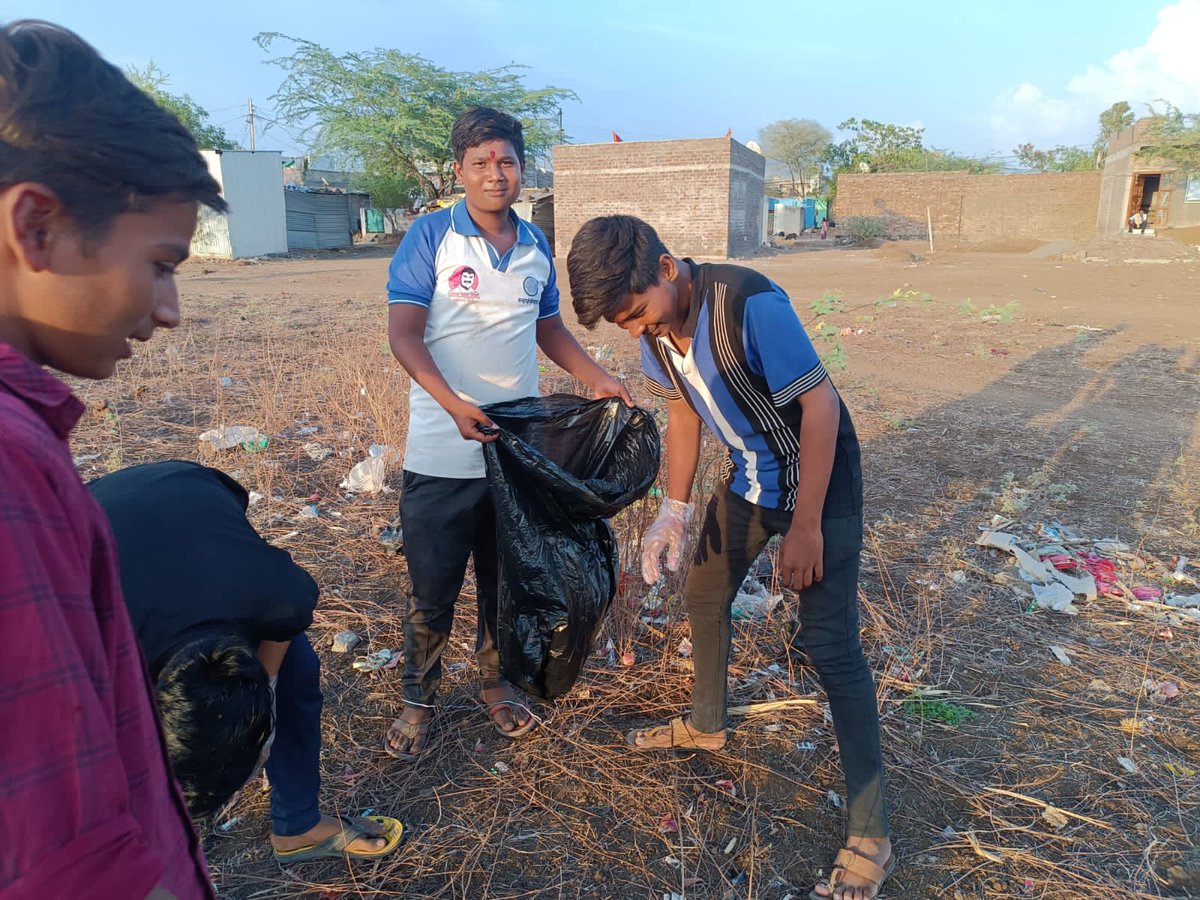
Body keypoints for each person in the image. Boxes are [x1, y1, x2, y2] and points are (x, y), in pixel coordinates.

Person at [566, 215, 894, 900]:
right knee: (704, 594)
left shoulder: (749, 302)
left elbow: (823, 406)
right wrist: (675, 511)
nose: (638, 333)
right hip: (748, 484)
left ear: (665, 268)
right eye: (623, 326)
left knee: (831, 647)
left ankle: (871, 831)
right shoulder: (653, 335)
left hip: (822, 489)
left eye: (637, 315)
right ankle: (707, 725)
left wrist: (807, 527)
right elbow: (685, 416)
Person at [0, 20, 223, 899]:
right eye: (162, 264)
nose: (168, 309)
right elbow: (62, 862)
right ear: (37, 226)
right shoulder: (10, 469)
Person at [383, 107, 631, 760]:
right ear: (460, 171)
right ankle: (419, 697)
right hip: (442, 452)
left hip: (516, 455)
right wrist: (454, 404)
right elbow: (404, 335)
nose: (496, 174)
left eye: (507, 161)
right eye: (482, 163)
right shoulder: (431, 238)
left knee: (504, 582)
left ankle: (496, 685)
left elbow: (548, 329)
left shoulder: (534, 247)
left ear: (523, 168)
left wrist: (596, 376)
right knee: (431, 591)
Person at [89, 461, 404, 863]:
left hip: (193, 489)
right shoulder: (83, 640)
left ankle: (298, 826)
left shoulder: (275, 595)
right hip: (98, 515)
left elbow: (283, 624)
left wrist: (268, 693)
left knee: (296, 673)